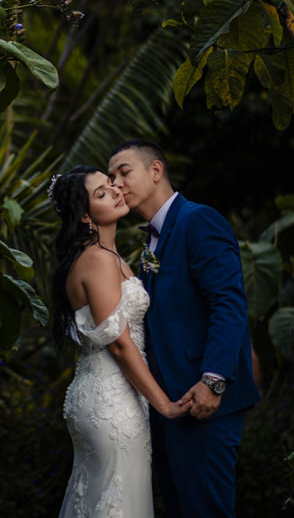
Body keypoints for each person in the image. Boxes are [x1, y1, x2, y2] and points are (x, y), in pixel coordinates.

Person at [107, 140, 261, 518]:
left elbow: (228, 303)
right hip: (169, 404)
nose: (115, 183)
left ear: (155, 170)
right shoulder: (151, 241)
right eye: (111, 177)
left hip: (204, 398)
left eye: (123, 172)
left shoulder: (198, 220)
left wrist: (214, 381)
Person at [49, 165, 190, 518]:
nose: (114, 191)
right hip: (111, 401)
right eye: (100, 193)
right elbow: (119, 343)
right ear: (84, 215)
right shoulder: (97, 260)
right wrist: (165, 405)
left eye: (110, 184)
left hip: (110, 393)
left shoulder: (109, 257)